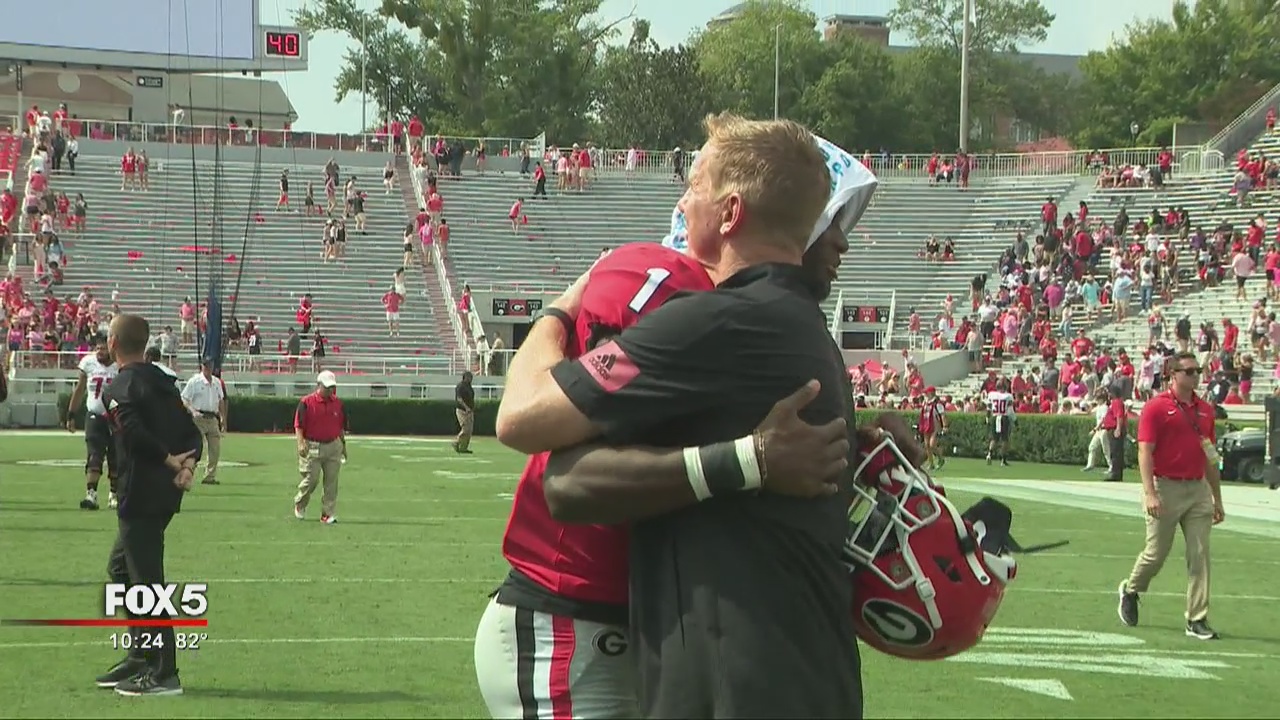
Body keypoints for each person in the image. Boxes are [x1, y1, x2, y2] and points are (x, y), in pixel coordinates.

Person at [473, 134, 878, 719]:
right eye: (830, 216)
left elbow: (531, 426)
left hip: (645, 637)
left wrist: (556, 312)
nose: (683, 203)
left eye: (694, 187)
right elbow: (532, 430)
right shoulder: (749, 314)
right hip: (584, 620)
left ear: (732, 211)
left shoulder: (738, 317)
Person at [94, 313, 201, 696]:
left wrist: (170, 459)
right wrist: (188, 463)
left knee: (146, 584)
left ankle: (163, 671)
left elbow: (134, 433)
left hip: (140, 493)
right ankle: (141, 653)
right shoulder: (163, 382)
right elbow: (192, 432)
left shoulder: (121, 386)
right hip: (164, 493)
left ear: (112, 343)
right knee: (121, 568)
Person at [1118, 351, 1225, 640]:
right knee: (1156, 554)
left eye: (1197, 371)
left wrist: (1217, 497)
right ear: (1173, 374)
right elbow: (1145, 451)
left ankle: (1197, 618)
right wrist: (1150, 493)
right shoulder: (1156, 407)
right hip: (1165, 487)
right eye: (1189, 371)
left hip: (1197, 488)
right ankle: (1131, 589)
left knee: (1200, 555)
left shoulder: (1205, 410)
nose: (1195, 376)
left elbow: (1210, 457)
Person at [67, 334, 118, 510]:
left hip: (116, 418)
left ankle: (114, 494)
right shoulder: (88, 363)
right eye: (97, 348)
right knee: (94, 455)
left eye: (103, 348)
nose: (99, 352)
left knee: (116, 456)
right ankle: (91, 495)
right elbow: (80, 389)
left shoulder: (121, 365)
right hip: (94, 415)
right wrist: (71, 414)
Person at [293, 370, 347, 523]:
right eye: (327, 387)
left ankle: (327, 513)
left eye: (332, 387)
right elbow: (299, 425)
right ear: (319, 385)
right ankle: (300, 503)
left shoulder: (338, 404)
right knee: (311, 479)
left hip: (333, 445)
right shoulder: (306, 403)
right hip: (313, 445)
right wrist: (300, 443)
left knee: (331, 482)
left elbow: (341, 427)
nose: (330, 390)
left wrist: (343, 445)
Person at [180, 359, 226, 485]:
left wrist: (222, 417)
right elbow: (184, 399)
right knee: (195, 448)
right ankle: (188, 474)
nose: (208, 368)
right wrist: (192, 410)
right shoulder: (194, 381)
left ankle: (210, 476)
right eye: (206, 366)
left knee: (215, 449)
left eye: (210, 366)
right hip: (198, 417)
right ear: (202, 366)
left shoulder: (216, 382)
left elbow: (221, 400)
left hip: (212, 418)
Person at [985, 377, 1015, 466]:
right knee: (1005, 440)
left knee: (994, 439)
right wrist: (1015, 420)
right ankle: (1003, 459)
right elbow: (1010, 411)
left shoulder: (991, 394)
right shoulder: (1008, 396)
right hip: (1004, 417)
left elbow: (989, 408)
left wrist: (987, 418)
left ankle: (989, 454)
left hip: (994, 417)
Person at [1100, 384, 1127, 482]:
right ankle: (1116, 473)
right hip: (1111, 429)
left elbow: (1119, 416)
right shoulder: (1114, 402)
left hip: (1114, 428)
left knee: (1116, 452)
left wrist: (1118, 428)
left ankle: (1116, 474)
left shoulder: (1116, 402)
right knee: (1115, 452)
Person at [453, 371, 474, 454]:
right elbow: (459, 399)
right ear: (465, 377)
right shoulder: (460, 386)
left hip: (470, 411)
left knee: (469, 430)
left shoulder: (469, 387)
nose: (471, 379)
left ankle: (464, 448)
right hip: (462, 410)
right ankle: (456, 442)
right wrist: (466, 407)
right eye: (469, 377)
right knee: (465, 428)